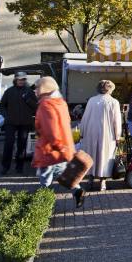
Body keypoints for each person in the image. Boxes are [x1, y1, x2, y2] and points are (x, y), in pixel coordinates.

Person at [32, 76, 85, 208]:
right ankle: (77, 190)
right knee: (60, 173)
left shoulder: (45, 105)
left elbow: (51, 129)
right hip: (63, 147)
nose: (35, 91)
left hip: (49, 148)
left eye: (37, 87)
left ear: (45, 89)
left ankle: (42, 206)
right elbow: (66, 122)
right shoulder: (60, 102)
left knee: (45, 179)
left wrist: (57, 145)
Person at [79, 80, 122, 191]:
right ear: (111, 89)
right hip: (107, 133)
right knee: (105, 155)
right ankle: (103, 182)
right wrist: (118, 136)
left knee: (91, 154)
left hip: (91, 131)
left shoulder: (92, 100)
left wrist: (82, 132)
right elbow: (117, 121)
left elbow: (85, 118)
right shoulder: (114, 102)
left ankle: (90, 179)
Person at [0, 71, 38, 175]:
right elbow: (2, 106)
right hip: (10, 122)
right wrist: (6, 116)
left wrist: (28, 100)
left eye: (23, 79)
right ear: (15, 80)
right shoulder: (9, 91)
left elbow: (36, 107)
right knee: (8, 144)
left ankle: (19, 167)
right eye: (20, 79)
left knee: (22, 146)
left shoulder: (29, 91)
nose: (22, 81)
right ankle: (5, 167)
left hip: (25, 123)